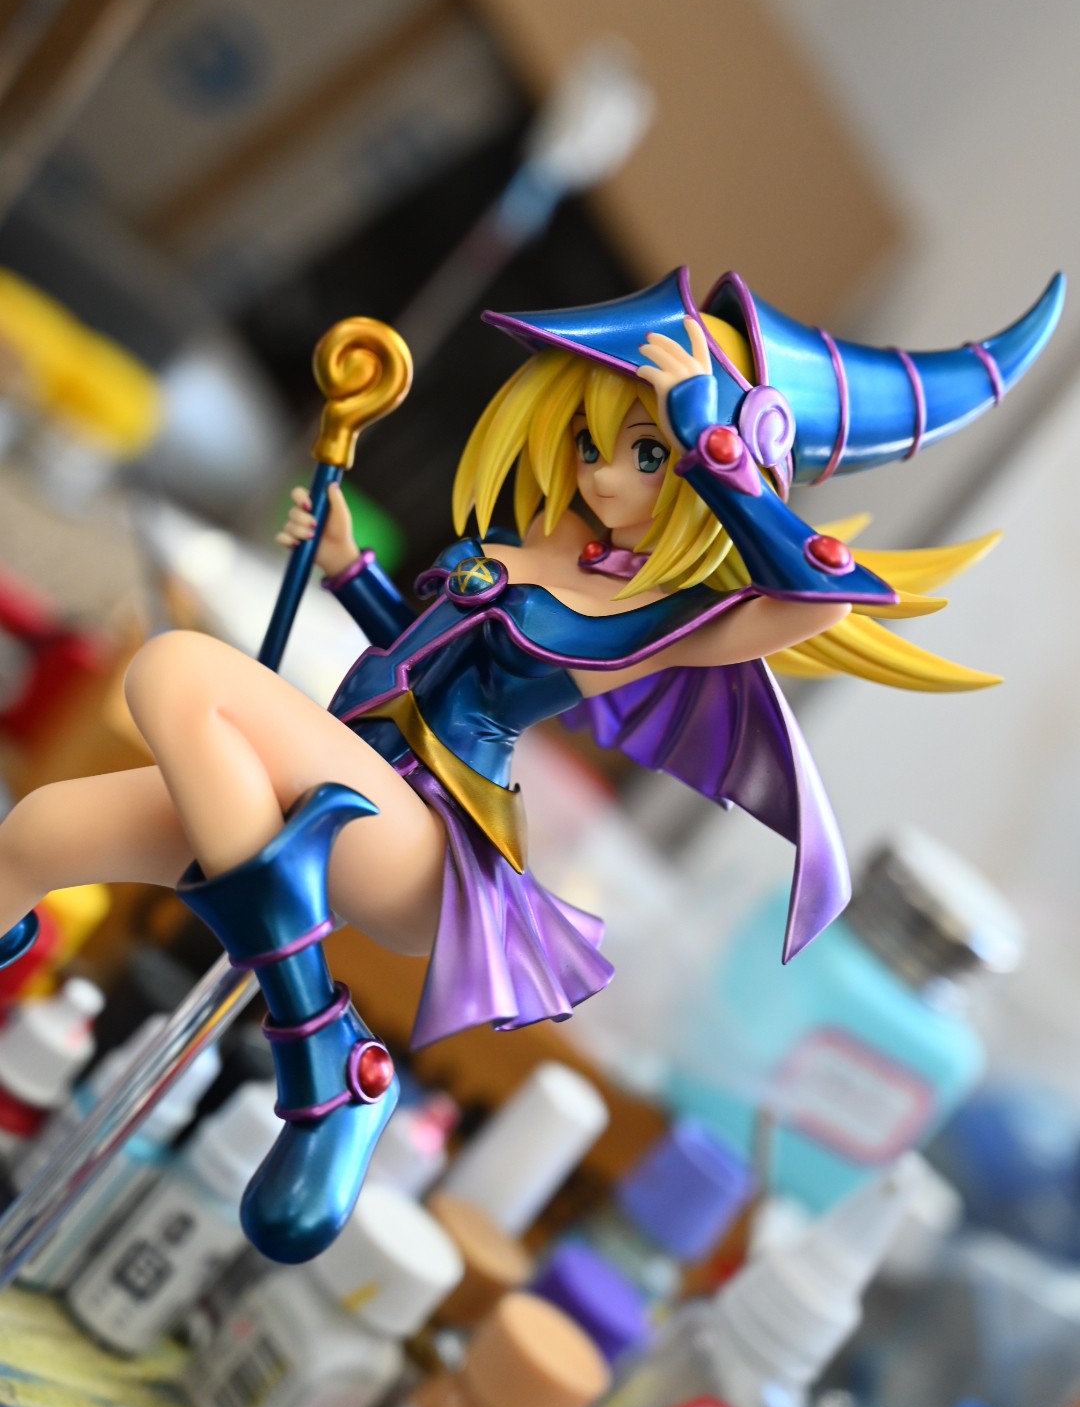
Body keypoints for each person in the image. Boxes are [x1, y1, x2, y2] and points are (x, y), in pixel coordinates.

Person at [0, 266, 1063, 1263]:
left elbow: (819, 598)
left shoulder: (655, 619)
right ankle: (275, 981)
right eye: (599, 440)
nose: (601, 471)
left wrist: (710, 439)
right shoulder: (530, 548)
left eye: (644, 453)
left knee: (179, 670)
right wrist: (350, 569)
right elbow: (420, 662)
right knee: (36, 834)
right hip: (344, 777)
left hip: (422, 835)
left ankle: (325, 1055)